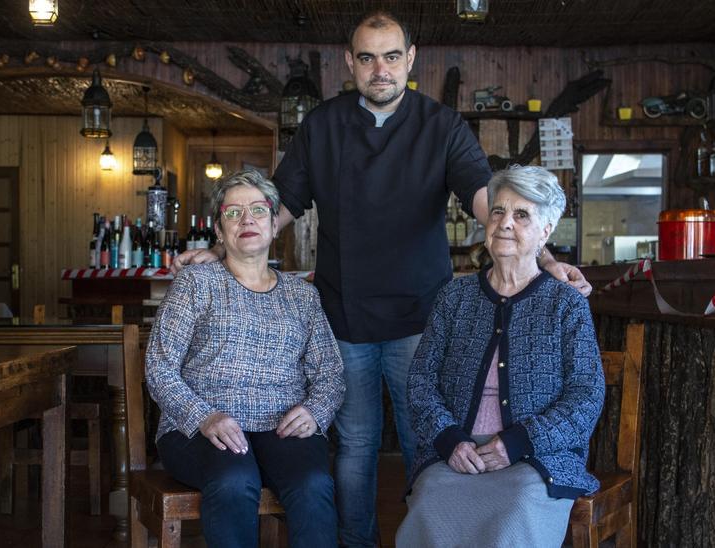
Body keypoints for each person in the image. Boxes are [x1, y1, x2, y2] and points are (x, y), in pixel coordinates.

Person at [175, 11, 591, 546]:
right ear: (350, 63)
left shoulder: (442, 125)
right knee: (354, 444)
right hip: (344, 316)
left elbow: (489, 201)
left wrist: (546, 258)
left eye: (391, 57)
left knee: (429, 441)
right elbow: (280, 205)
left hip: (423, 316)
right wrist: (220, 248)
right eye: (367, 58)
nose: (380, 69)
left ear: (410, 60)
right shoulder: (322, 125)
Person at [398, 166, 604, 547]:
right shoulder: (454, 297)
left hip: (536, 459)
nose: (505, 223)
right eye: (498, 211)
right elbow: (421, 380)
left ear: (545, 232)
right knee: (428, 506)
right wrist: (449, 440)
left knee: (515, 514)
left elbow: (585, 396)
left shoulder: (566, 304)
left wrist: (518, 442)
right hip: (458, 454)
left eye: (521, 214)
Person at [145, 169, 345, 548]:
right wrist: (203, 416)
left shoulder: (302, 296)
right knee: (235, 481)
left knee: (314, 484)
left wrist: (316, 411)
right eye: (233, 213)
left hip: (282, 425)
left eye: (257, 210)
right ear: (219, 231)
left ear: (274, 225)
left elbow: (330, 374)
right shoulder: (196, 283)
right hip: (201, 427)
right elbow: (159, 367)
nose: (247, 219)